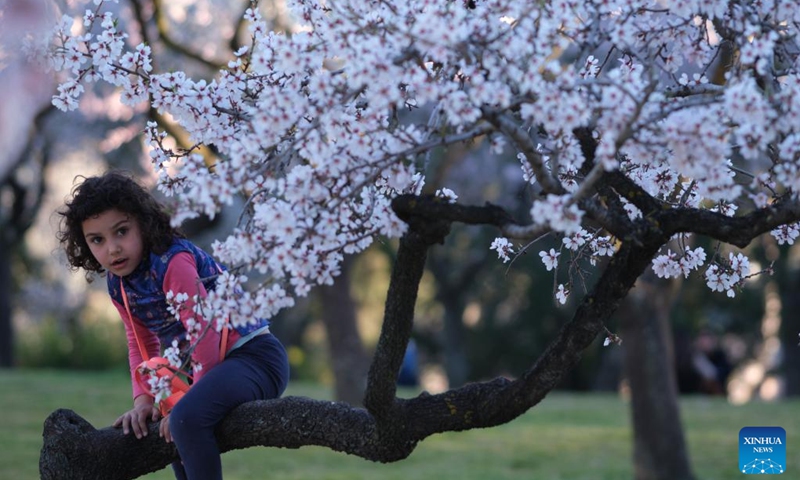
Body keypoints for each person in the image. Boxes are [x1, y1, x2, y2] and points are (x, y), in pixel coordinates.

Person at [57, 171, 290, 480]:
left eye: (121, 231)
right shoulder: (119, 285)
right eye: (97, 239)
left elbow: (205, 334)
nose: (112, 248)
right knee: (174, 432)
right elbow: (140, 344)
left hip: (254, 359)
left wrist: (183, 401)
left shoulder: (173, 261)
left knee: (183, 420)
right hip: (204, 373)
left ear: (142, 223)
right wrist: (143, 401)